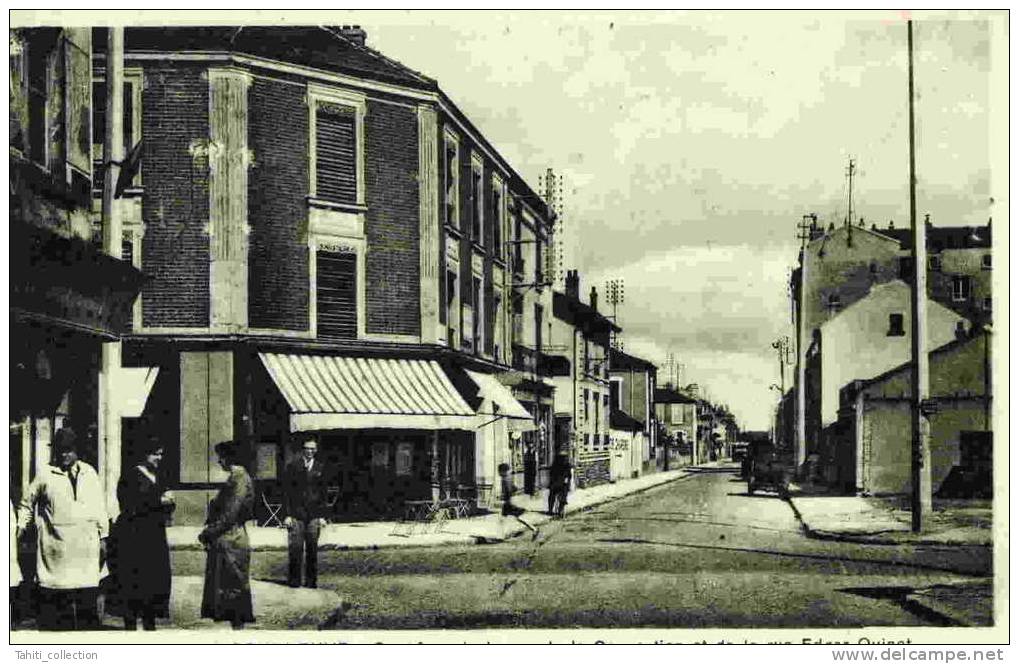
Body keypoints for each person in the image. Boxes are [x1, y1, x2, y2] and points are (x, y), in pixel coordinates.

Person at [17, 427, 108, 630]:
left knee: (88, 613)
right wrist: (21, 526)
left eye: (69, 450)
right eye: (61, 450)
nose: (64, 454)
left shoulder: (89, 473)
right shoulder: (45, 474)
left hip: (85, 552)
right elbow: (26, 503)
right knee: (59, 613)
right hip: (56, 553)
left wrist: (104, 537)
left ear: (77, 451)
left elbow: (100, 507)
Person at [112, 438, 174, 630]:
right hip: (134, 537)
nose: (159, 458)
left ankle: (150, 622)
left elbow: (165, 505)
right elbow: (131, 505)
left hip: (154, 536)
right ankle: (130, 625)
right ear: (145, 454)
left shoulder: (158, 476)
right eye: (156, 453)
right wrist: (159, 501)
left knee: (153, 582)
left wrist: (169, 502)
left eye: (161, 454)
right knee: (134, 581)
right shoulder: (131, 476)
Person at [199, 441, 255, 629]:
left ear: (228, 457)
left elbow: (230, 514)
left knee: (234, 590)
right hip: (229, 540)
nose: (218, 461)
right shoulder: (236, 477)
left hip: (232, 540)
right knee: (230, 591)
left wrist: (208, 533)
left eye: (220, 456)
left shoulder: (238, 478)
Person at [282, 438, 330, 589]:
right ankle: (294, 582)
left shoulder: (320, 467)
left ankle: (311, 582)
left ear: (316, 451)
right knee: (295, 549)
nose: (310, 452)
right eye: (307, 448)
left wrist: (323, 516)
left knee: (312, 550)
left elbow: (324, 494)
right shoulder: (293, 467)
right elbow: (286, 492)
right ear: (302, 450)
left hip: (314, 515)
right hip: (296, 515)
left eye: (313, 449)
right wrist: (287, 515)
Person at [498, 462, 535, 533]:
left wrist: (506, 499)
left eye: (499, 471)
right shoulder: (509, 478)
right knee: (505, 518)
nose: (499, 473)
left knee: (505, 518)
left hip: (508, 502)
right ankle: (501, 533)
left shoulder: (505, 480)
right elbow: (515, 488)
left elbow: (508, 491)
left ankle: (501, 533)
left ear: (503, 472)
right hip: (508, 502)